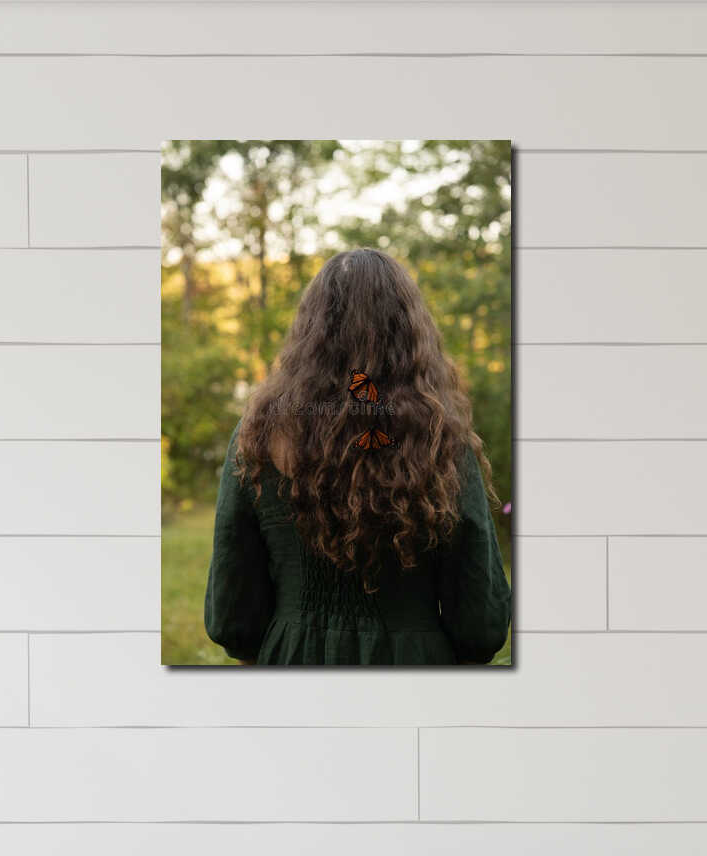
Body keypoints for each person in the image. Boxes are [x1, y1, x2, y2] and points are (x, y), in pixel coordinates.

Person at [202, 248, 511, 666]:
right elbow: (481, 622)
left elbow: (231, 611)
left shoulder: (260, 434)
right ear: (409, 335)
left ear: (310, 334)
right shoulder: (441, 440)